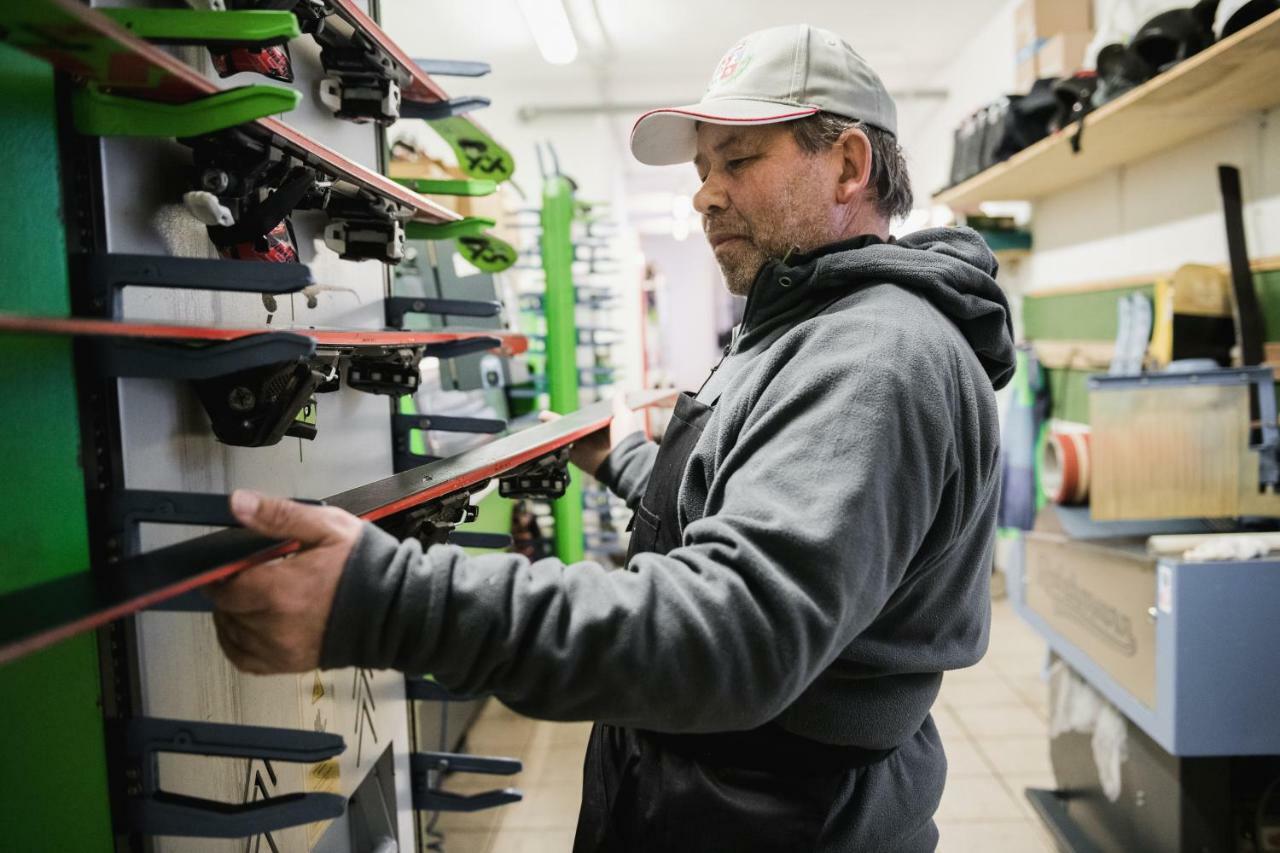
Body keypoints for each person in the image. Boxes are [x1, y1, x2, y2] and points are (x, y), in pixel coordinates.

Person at [208, 23, 1015, 852]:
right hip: (717, 788)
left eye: (738, 162)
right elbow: (735, 500)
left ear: (849, 164)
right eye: (704, 170)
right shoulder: (802, 322)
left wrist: (389, 603)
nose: (705, 194)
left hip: (780, 814)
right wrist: (620, 458)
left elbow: (736, 629)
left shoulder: (876, 354)